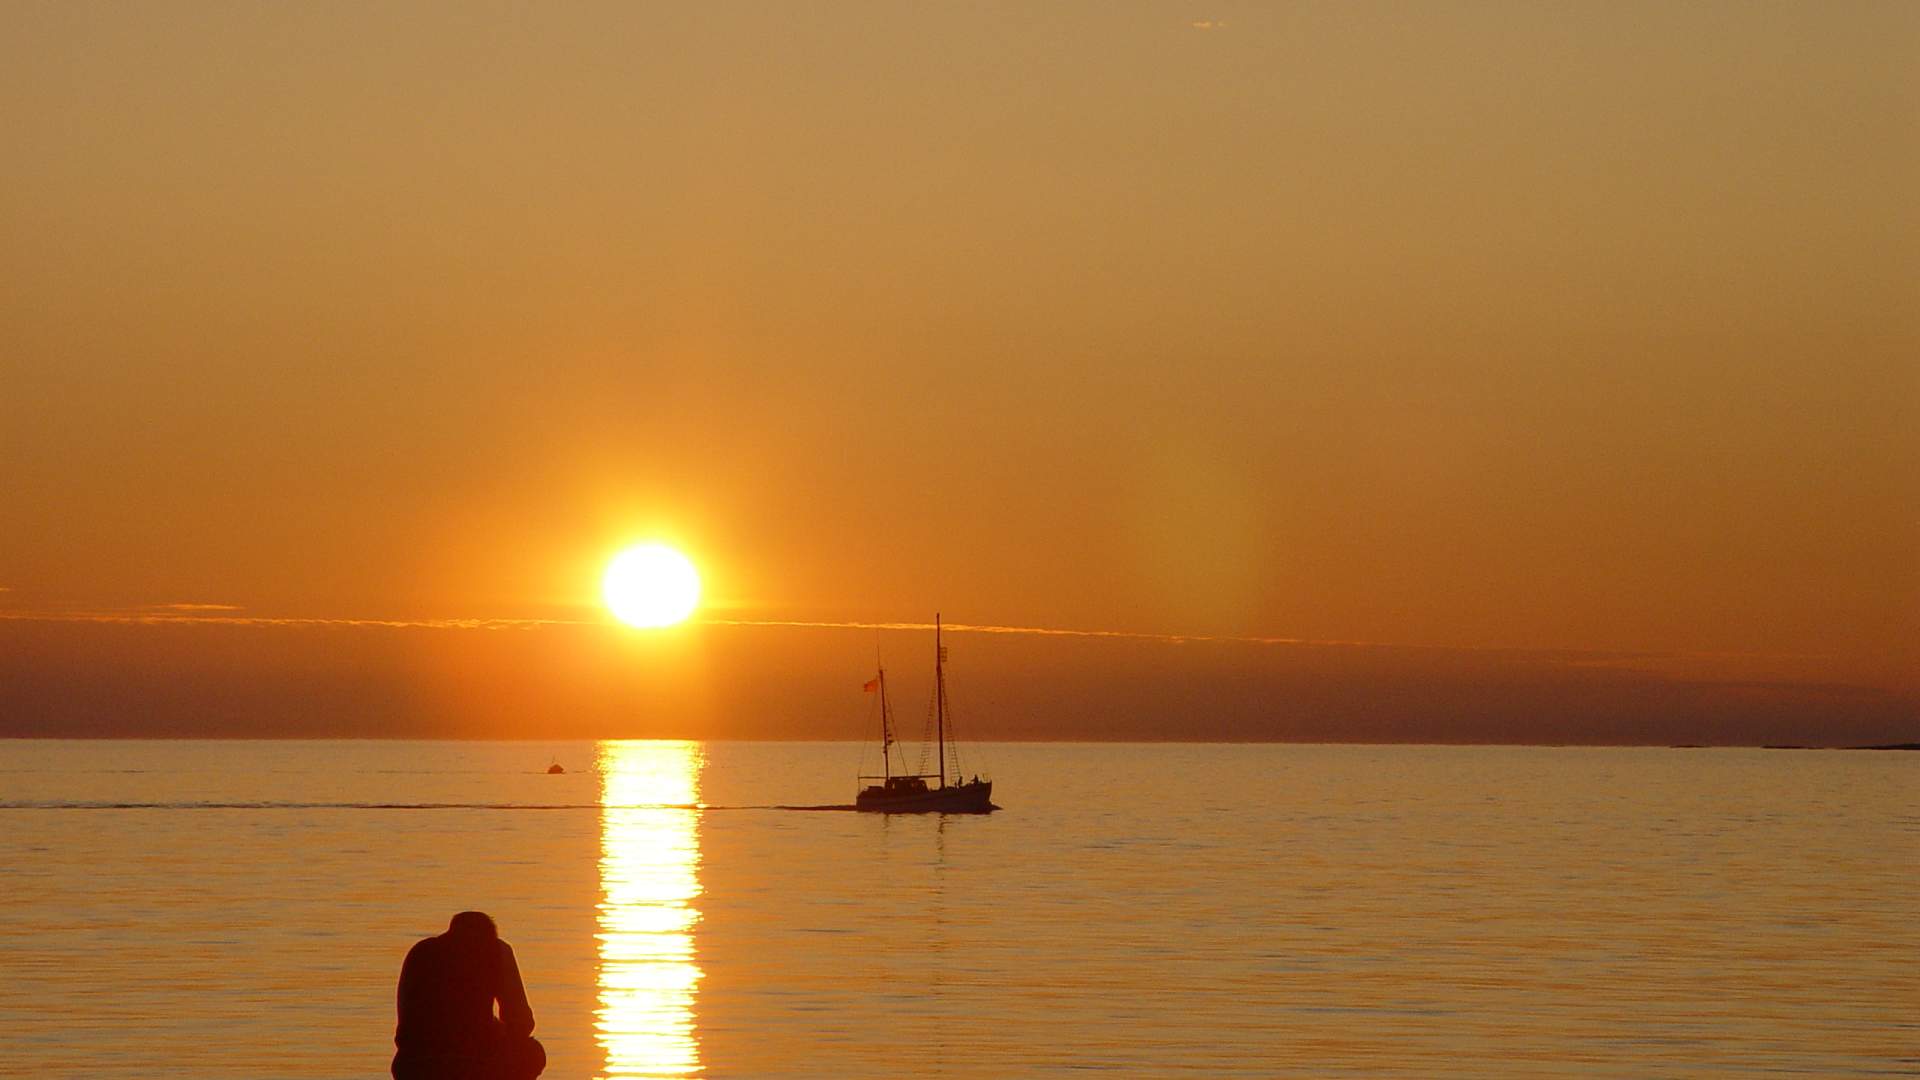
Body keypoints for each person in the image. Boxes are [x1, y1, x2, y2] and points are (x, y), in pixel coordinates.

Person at [391, 911, 546, 1080]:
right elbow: (521, 1023)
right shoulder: (497, 951)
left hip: (411, 1064)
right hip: (469, 1062)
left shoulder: (421, 951)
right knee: (532, 1052)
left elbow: (409, 1021)